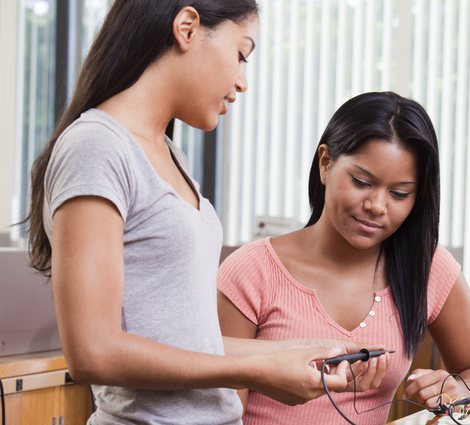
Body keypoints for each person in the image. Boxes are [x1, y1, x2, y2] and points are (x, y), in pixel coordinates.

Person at [24, 2, 379, 423]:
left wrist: (301, 352)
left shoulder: (169, 154)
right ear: (188, 28)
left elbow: (187, 341)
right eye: (242, 55)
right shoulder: (96, 147)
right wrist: (257, 370)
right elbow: (93, 351)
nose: (243, 81)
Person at [217, 91, 470, 425]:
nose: (377, 206)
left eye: (399, 194)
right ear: (325, 164)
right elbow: (220, 411)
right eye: (361, 182)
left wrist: (454, 389)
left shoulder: (426, 268)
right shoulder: (253, 270)